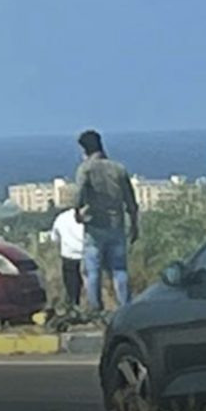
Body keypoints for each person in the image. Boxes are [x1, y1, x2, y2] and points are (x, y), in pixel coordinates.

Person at [74, 129, 139, 311]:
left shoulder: (85, 169)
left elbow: (78, 194)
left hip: (95, 224)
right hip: (117, 224)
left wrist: (77, 212)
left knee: (93, 270)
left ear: (84, 150)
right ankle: (126, 307)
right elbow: (130, 200)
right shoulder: (118, 168)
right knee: (119, 270)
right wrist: (134, 224)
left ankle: (96, 309)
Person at [50, 207, 84, 306]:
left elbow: (54, 237)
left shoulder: (61, 217)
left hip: (68, 253)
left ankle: (73, 302)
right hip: (87, 253)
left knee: (71, 281)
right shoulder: (90, 217)